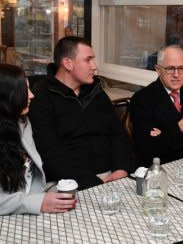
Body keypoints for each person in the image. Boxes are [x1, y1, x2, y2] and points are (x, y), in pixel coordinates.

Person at [0, 64, 76, 244]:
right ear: (4, 96)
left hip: (20, 219)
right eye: (24, 90)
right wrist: (36, 202)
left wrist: (48, 197)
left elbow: (30, 178)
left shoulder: (21, 122)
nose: (32, 95)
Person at [28, 36, 130, 190]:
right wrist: (94, 183)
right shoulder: (42, 97)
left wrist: (121, 169)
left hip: (110, 176)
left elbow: (118, 135)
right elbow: (49, 153)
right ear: (68, 63)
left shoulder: (96, 92)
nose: (94, 66)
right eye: (88, 60)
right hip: (65, 182)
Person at [129, 45, 183, 167]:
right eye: (170, 69)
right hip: (157, 169)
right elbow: (149, 149)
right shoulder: (141, 99)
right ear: (158, 69)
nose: (176, 75)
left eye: (181, 68)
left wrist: (165, 135)